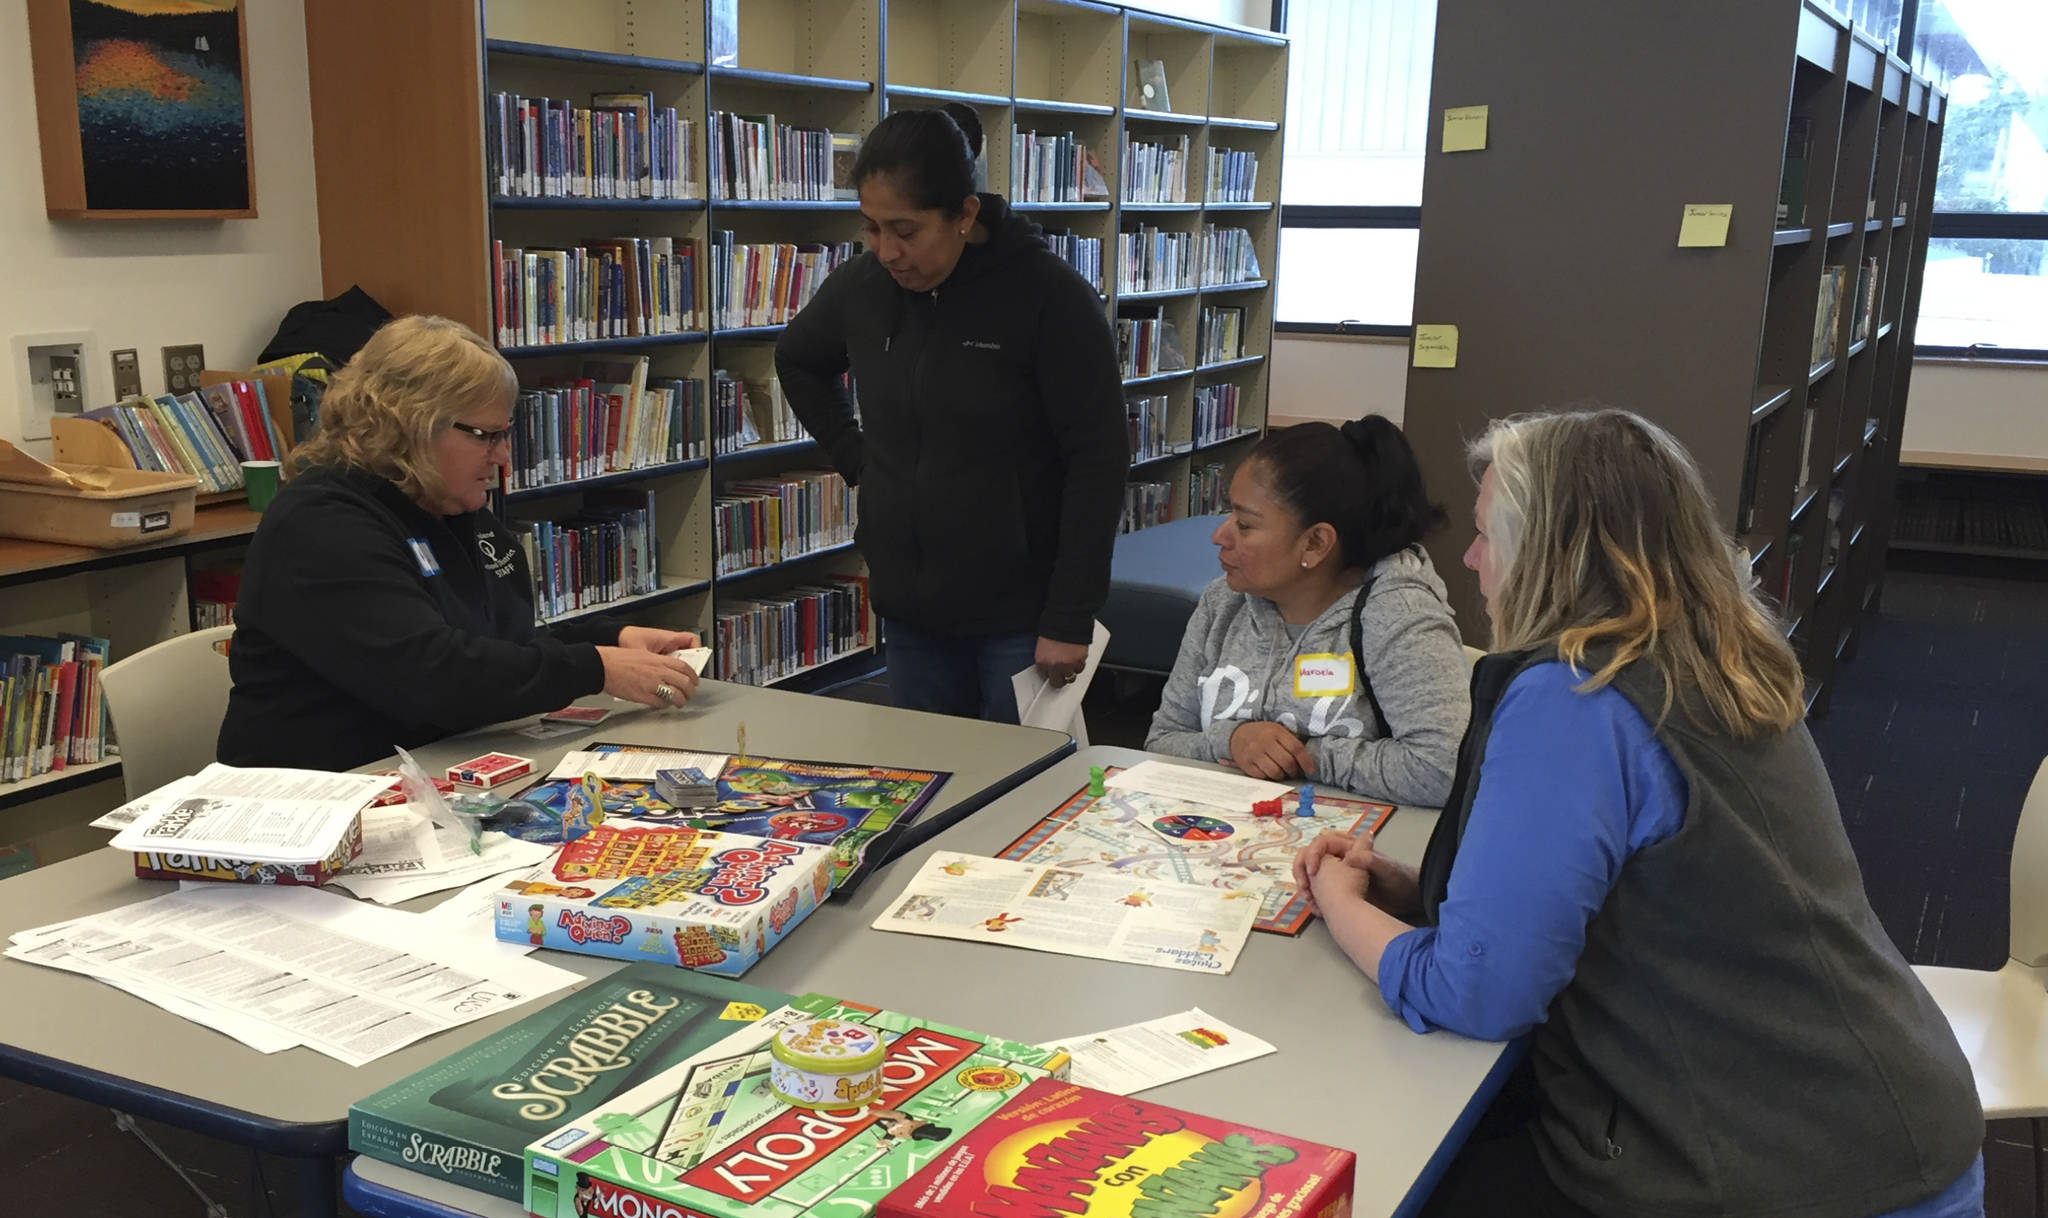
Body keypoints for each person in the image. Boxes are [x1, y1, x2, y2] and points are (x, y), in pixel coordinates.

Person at [1291, 408, 1989, 1218]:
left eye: (1486, 532)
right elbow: (1622, 883)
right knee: (1473, 1172)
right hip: (1897, 1152)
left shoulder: (1576, 696)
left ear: (1550, 552)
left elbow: (1477, 993)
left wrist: (1339, 903)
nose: (1471, 557)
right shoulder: (1714, 652)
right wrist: (1415, 885)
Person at [218, 315, 701, 771]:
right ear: (409, 424)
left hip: (434, 769)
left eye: (505, 434)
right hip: (323, 797)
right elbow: (432, 676)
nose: (504, 456)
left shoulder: (448, 506)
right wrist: (595, 668)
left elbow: (494, 645)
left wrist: (610, 641)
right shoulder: (321, 524)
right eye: (486, 436)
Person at [776, 102, 1126, 722]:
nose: (886, 250)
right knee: (929, 791)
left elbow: (1097, 463)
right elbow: (798, 359)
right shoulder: (864, 288)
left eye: (906, 231)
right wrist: (859, 461)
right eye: (871, 227)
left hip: (1020, 619)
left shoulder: (1049, 299)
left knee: (1022, 796)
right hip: (911, 613)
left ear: (964, 214)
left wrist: (1070, 614)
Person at [1143, 418, 1468, 806]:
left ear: (1315, 543)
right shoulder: (1222, 604)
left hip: (1348, 852)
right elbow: (1161, 742)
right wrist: (1232, 739)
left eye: (1245, 525)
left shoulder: (1399, 616)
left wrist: (1304, 756)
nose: (1219, 535)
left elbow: (1443, 770)